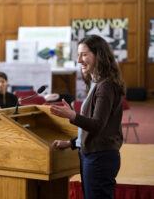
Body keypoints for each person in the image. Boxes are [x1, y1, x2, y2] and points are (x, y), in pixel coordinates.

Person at [50, 35, 125, 199]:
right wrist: (70, 143)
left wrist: (73, 115)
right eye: (78, 55)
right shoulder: (98, 82)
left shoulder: (105, 86)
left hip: (100, 158)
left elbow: (97, 125)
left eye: (84, 54)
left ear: (99, 55)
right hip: (93, 154)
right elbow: (94, 128)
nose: (78, 60)